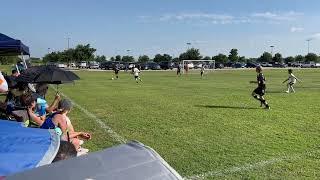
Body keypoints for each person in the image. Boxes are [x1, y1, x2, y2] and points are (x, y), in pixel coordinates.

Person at [26, 97, 91, 154]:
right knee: (76, 141)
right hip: (49, 142)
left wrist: (30, 112)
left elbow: (42, 123)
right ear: (69, 110)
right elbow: (65, 137)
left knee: (73, 136)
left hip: (43, 137)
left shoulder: (54, 114)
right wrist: (79, 133)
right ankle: (75, 153)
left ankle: (78, 148)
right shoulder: (62, 119)